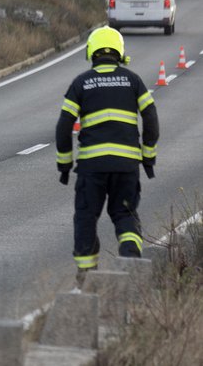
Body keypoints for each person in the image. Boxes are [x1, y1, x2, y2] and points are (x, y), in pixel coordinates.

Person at [55, 26, 158, 282]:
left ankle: (86, 277)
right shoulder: (133, 80)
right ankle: (132, 262)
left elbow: (64, 126)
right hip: (126, 167)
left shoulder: (81, 82)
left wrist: (65, 164)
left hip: (92, 168)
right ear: (120, 53)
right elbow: (151, 118)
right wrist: (148, 156)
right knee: (125, 215)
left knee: (87, 217)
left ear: (91, 52)